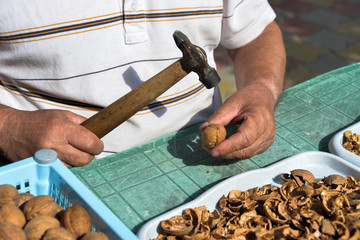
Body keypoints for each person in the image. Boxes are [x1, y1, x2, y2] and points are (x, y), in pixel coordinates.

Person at [0, 0, 285, 167]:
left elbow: (258, 34)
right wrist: (8, 127)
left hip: (200, 152)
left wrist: (262, 88)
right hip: (49, 167)